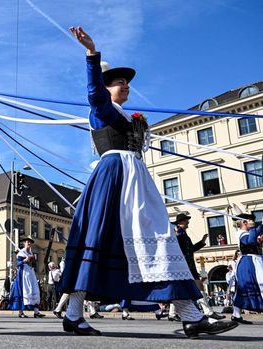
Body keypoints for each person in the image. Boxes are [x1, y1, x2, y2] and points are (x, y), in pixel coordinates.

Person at [59, 27, 238, 338]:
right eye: (119, 82)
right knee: (114, 240)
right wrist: (91, 54)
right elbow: (93, 93)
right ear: (106, 87)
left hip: (134, 179)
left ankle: (190, 315)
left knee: (154, 239)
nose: (125, 85)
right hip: (115, 177)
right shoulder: (101, 110)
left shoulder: (129, 117)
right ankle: (76, 314)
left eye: (127, 83)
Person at [172, 213, 225, 320]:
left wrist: (202, 242)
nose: (188, 222)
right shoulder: (179, 233)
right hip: (185, 265)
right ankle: (208, 311)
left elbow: (191, 249)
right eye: (187, 220)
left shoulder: (183, 234)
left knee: (180, 288)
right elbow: (176, 244)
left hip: (187, 264)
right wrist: (177, 233)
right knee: (198, 286)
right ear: (181, 222)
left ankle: (172, 314)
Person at [231, 213, 261, 324]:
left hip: (254, 261)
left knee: (242, 289)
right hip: (249, 262)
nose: (253, 222)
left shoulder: (247, 232)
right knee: (247, 287)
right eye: (251, 221)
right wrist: (254, 228)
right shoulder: (242, 233)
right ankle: (236, 314)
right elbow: (250, 241)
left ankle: (236, 314)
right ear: (244, 222)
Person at [9, 236, 45, 318]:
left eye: (30, 242)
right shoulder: (21, 253)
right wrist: (25, 260)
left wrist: (32, 260)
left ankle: (36, 312)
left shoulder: (30, 253)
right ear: (24, 243)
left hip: (30, 273)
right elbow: (18, 264)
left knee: (34, 290)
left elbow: (33, 263)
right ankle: (20, 312)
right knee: (22, 290)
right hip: (23, 273)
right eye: (27, 242)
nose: (29, 243)